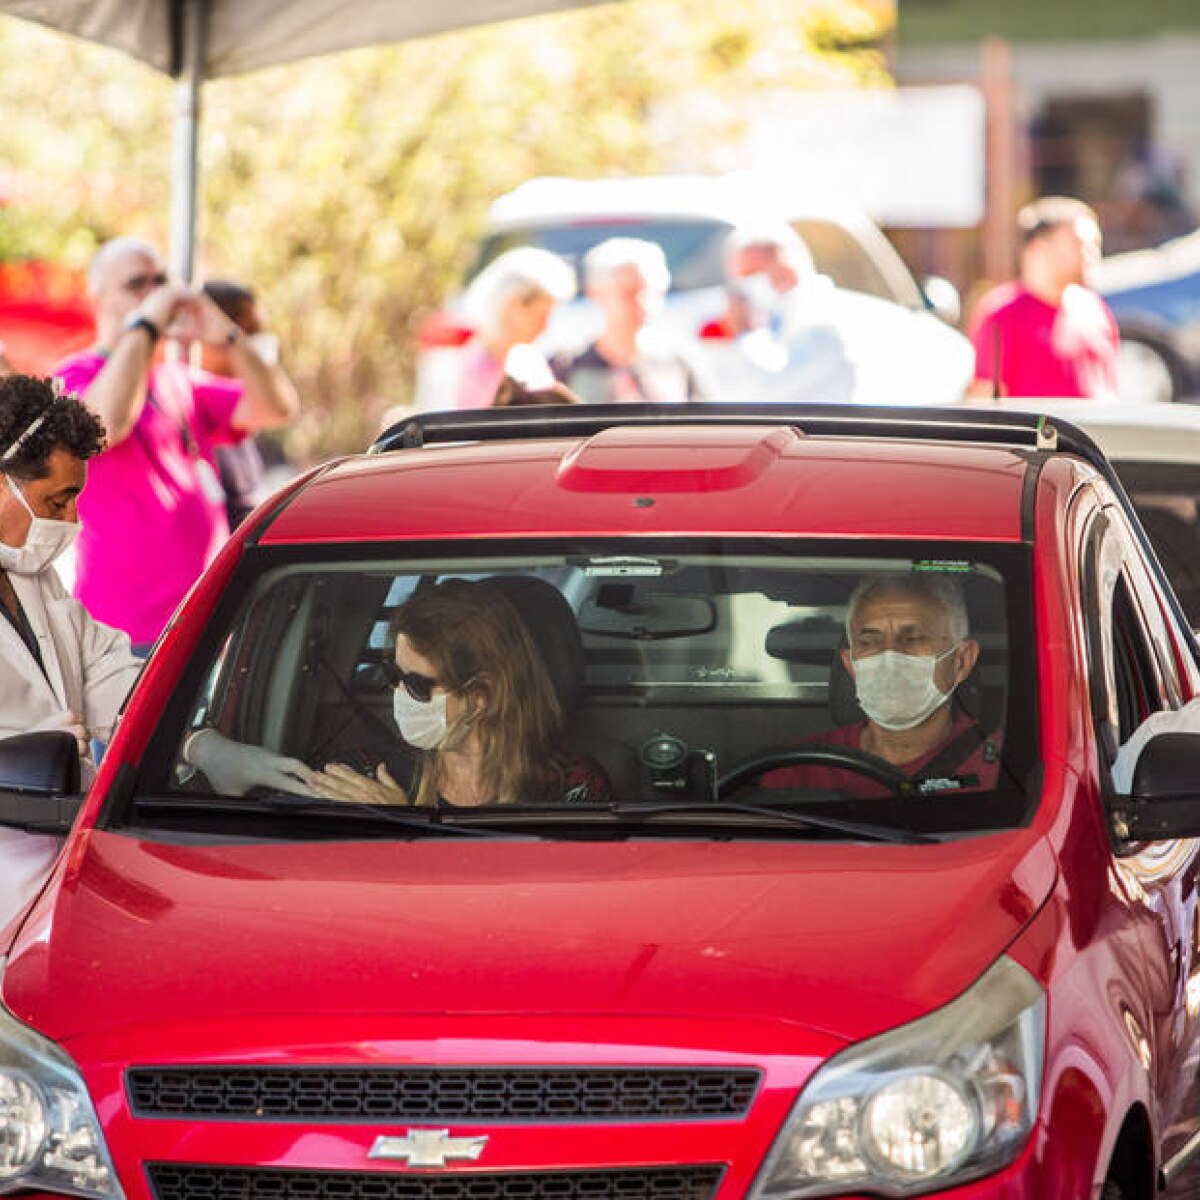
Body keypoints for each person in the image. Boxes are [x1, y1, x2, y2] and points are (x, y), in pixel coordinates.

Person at [55, 237, 301, 652]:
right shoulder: (77, 374)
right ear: (98, 297)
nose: (153, 294)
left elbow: (277, 407)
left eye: (161, 282)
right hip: (123, 633)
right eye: (136, 284)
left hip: (202, 623)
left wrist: (227, 334)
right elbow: (102, 425)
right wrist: (146, 325)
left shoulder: (178, 380)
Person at [0, 374, 142, 927]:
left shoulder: (34, 575)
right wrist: (34, 750)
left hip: (56, 874)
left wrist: (195, 735)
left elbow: (104, 668)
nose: (71, 522)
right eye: (56, 502)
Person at [310, 578, 611, 807]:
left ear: (482, 695)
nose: (398, 692)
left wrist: (403, 827)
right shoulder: (368, 773)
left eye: (417, 684)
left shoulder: (570, 786)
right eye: (394, 675)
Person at [760, 574, 995, 796]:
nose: (890, 659)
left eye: (913, 639)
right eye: (869, 642)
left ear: (961, 661)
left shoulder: (1001, 770)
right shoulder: (800, 770)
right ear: (850, 666)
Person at [967, 196, 1120, 401]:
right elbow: (986, 401)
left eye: (1095, 245)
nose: (1091, 255)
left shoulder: (1094, 309)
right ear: (1039, 249)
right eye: (1079, 244)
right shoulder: (1002, 313)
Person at [708, 222, 856, 404]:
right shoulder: (775, 316)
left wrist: (742, 332)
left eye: (750, 274)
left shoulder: (823, 324)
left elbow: (765, 389)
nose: (742, 287)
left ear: (786, 269)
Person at [197, 279, 298, 529]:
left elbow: (283, 407)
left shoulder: (236, 407)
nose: (252, 342)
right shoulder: (197, 400)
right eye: (248, 331)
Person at [552, 237, 699, 404]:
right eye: (630, 292)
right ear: (595, 292)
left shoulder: (676, 364)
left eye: (652, 292)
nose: (643, 303)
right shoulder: (566, 366)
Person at [455, 248, 576, 410]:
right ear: (512, 306)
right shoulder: (471, 367)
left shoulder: (530, 361)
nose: (544, 326)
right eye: (541, 316)